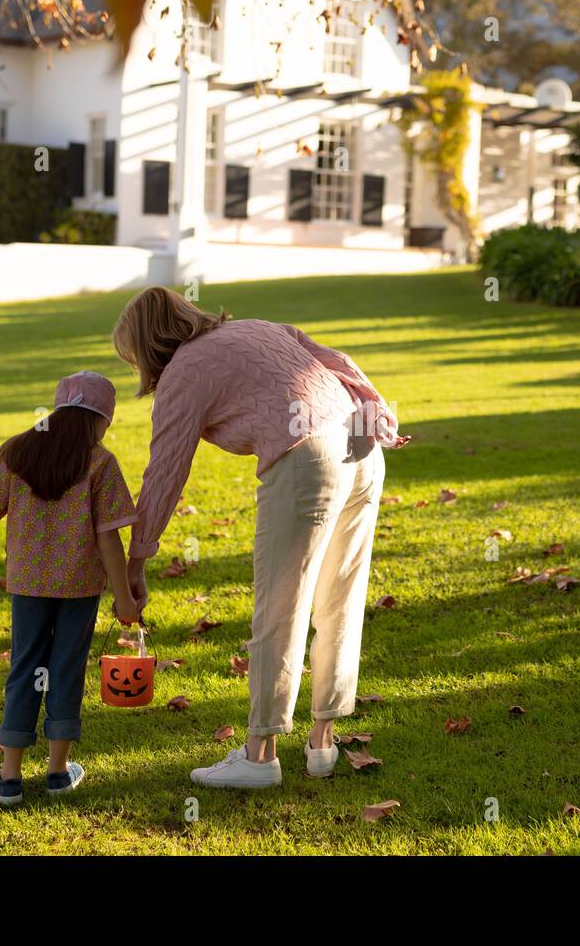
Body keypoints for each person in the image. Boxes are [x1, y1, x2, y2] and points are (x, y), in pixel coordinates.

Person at [112, 287, 409, 789]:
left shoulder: (183, 372)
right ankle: (323, 741)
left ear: (147, 346)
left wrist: (137, 559)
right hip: (361, 445)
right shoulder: (256, 327)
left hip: (309, 456)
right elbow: (337, 360)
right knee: (341, 599)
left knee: (280, 604)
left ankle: (260, 755)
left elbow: (164, 471)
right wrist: (376, 410)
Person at [0, 371, 139, 807]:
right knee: (66, 669)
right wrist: (123, 598)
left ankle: (9, 777)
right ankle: (58, 771)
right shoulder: (100, 462)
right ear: (101, 420)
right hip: (79, 588)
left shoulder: (18, 452)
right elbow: (108, 538)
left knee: (25, 668)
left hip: (28, 586)